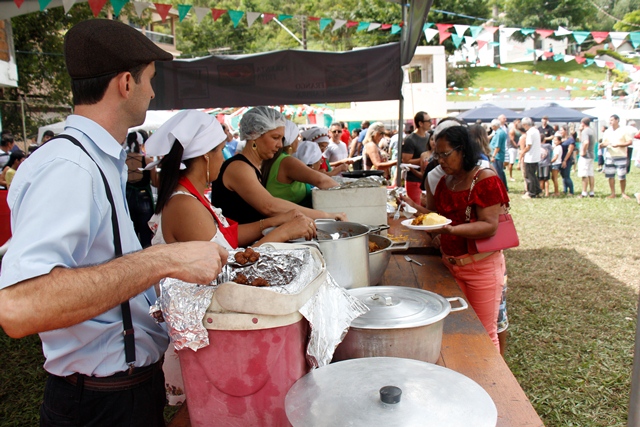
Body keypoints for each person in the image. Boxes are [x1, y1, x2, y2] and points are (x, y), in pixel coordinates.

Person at [0, 19, 229, 427]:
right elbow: (19, 307)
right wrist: (164, 260)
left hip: (119, 394)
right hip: (99, 404)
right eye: (150, 80)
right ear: (126, 82)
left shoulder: (95, 162)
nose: (153, 92)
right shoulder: (70, 167)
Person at [144, 110, 316, 406]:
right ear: (206, 157)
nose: (225, 157)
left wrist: (272, 224)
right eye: (221, 150)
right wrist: (283, 232)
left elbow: (224, 237)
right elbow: (231, 268)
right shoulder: (184, 206)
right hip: (204, 331)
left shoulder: (194, 197)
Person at [403, 124, 509, 350]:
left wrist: (451, 230)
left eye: (445, 154)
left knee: (484, 334)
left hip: (481, 268)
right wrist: (412, 207)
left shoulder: (484, 179)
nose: (440, 160)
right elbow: (438, 217)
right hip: (450, 266)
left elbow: (490, 226)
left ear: (463, 150)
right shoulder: (445, 181)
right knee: (456, 330)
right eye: (437, 155)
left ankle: (490, 384)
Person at [211, 107, 347, 224]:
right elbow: (269, 206)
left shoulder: (254, 165)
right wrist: (326, 216)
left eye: (281, 139)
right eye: (275, 138)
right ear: (254, 135)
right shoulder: (239, 167)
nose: (280, 145)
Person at [263, 122, 339, 208]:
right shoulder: (287, 161)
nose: (299, 141)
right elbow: (321, 181)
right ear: (291, 142)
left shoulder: (277, 159)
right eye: (297, 138)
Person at [125, 130, 157, 248]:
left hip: (127, 200)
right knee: (146, 237)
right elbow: (155, 183)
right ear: (141, 144)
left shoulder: (121, 161)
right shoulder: (147, 161)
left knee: (130, 235)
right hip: (144, 200)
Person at [600, 114, 632, 199]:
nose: (610, 122)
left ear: (617, 120)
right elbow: (603, 143)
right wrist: (603, 145)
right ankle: (613, 193)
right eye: (610, 120)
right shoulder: (607, 131)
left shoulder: (623, 131)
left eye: (612, 120)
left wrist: (619, 144)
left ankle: (623, 193)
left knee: (621, 175)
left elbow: (629, 142)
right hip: (610, 156)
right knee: (610, 175)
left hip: (621, 155)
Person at [402, 111, 432, 203]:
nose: (431, 123)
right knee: (416, 209)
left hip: (427, 179)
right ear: (420, 123)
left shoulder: (429, 136)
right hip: (414, 180)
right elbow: (405, 160)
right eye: (429, 121)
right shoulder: (410, 140)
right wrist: (423, 159)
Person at [520, 117, 542, 199]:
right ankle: (537, 190)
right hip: (536, 156)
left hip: (530, 157)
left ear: (525, 125)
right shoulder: (536, 131)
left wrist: (523, 152)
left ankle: (531, 192)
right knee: (533, 175)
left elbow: (528, 146)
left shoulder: (530, 133)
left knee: (529, 176)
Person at [577, 117, 596, 198]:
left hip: (586, 155)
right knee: (590, 174)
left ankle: (584, 192)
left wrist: (583, 152)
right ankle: (591, 191)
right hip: (591, 154)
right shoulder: (591, 131)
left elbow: (585, 142)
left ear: (582, 123)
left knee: (584, 174)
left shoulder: (585, 131)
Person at [489, 119, 508, 191]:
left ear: (494, 126)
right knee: (500, 171)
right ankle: (504, 187)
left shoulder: (499, 133)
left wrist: (493, 156)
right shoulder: (498, 132)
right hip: (498, 155)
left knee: (497, 172)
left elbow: (497, 146)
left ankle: (500, 187)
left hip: (497, 156)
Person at [559, 126, 575, 196]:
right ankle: (565, 190)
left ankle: (571, 191)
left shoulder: (570, 140)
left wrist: (565, 160)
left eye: (561, 130)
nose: (560, 132)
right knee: (563, 176)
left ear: (566, 131)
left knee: (566, 175)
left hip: (567, 160)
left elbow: (570, 151)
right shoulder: (562, 140)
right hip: (561, 159)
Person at [550, 133, 563, 197]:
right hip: (555, 163)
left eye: (556, 140)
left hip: (556, 164)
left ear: (559, 141)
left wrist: (550, 162)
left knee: (555, 178)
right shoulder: (556, 147)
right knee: (553, 178)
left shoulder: (558, 148)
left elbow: (555, 157)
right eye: (554, 140)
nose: (555, 141)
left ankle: (556, 192)